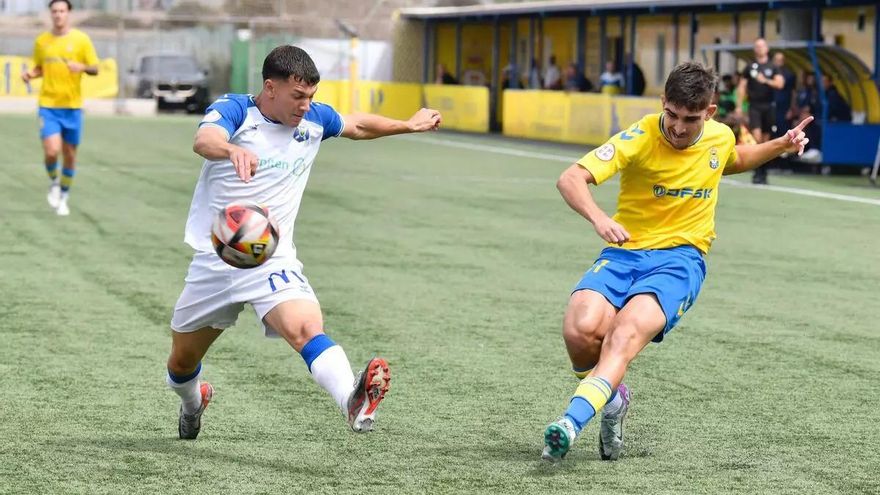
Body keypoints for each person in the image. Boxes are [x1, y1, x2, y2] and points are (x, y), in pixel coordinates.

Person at [166, 45, 442, 440]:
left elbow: (358, 125)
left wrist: (408, 125)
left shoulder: (313, 120)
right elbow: (204, 139)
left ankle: (351, 399)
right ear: (270, 88)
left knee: (306, 327)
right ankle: (193, 403)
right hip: (217, 260)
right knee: (181, 364)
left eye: (311, 96)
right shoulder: (236, 110)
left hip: (271, 258)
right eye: (297, 96)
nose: (305, 105)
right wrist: (231, 149)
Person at [541, 61, 811, 462]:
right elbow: (570, 178)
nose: (679, 128)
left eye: (691, 119)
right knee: (579, 332)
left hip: (680, 261)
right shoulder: (639, 137)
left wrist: (780, 145)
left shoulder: (719, 136)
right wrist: (600, 219)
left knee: (624, 335)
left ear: (710, 113)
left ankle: (569, 423)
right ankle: (613, 400)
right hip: (624, 252)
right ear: (662, 102)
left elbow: (733, 158)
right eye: (672, 115)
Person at [21, 0, 99, 216]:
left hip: (72, 108)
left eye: (62, 11)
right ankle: (54, 181)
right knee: (52, 151)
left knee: (70, 155)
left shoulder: (81, 40)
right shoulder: (42, 41)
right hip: (48, 106)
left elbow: (95, 68)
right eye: (54, 11)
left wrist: (81, 67)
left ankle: (64, 195)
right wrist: (30, 74)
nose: (58, 15)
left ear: (68, 13)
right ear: (50, 14)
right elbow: (40, 67)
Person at [736, 38, 784, 184]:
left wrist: (766, 81)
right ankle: (757, 172)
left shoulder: (773, 66)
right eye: (757, 46)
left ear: (767, 48)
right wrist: (739, 106)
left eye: (762, 46)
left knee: (766, 140)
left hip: (769, 106)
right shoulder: (750, 67)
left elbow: (780, 84)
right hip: (754, 106)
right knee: (757, 138)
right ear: (754, 49)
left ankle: (764, 172)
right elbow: (742, 86)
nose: (760, 48)